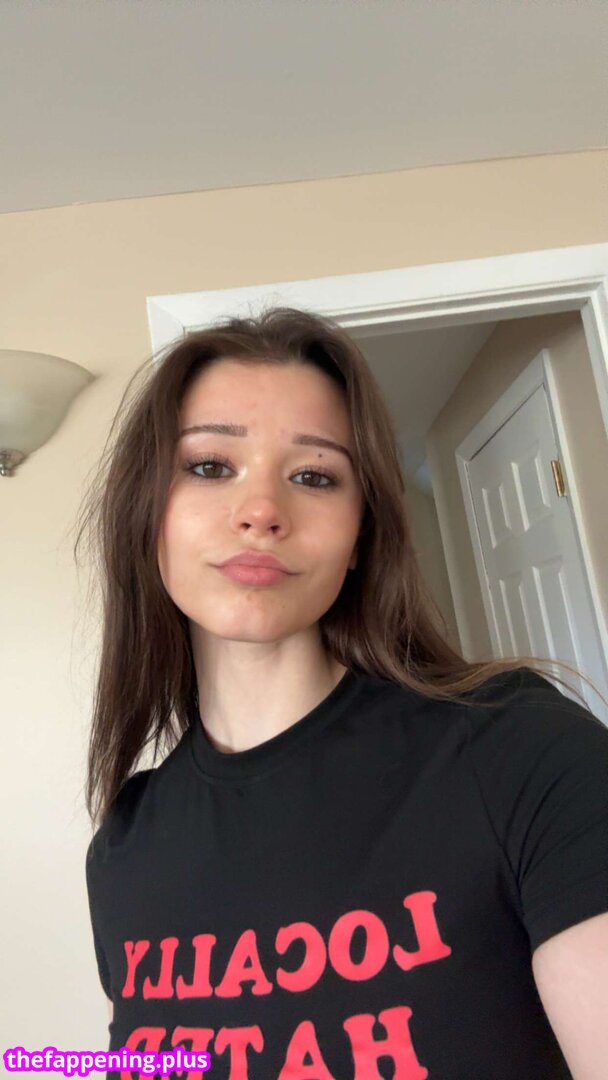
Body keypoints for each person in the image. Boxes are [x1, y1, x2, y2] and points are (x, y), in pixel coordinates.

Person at [78, 307, 608, 1080]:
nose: (262, 511)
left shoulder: (518, 750)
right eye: (211, 466)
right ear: (145, 514)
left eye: (314, 476)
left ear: (360, 534)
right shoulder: (126, 847)